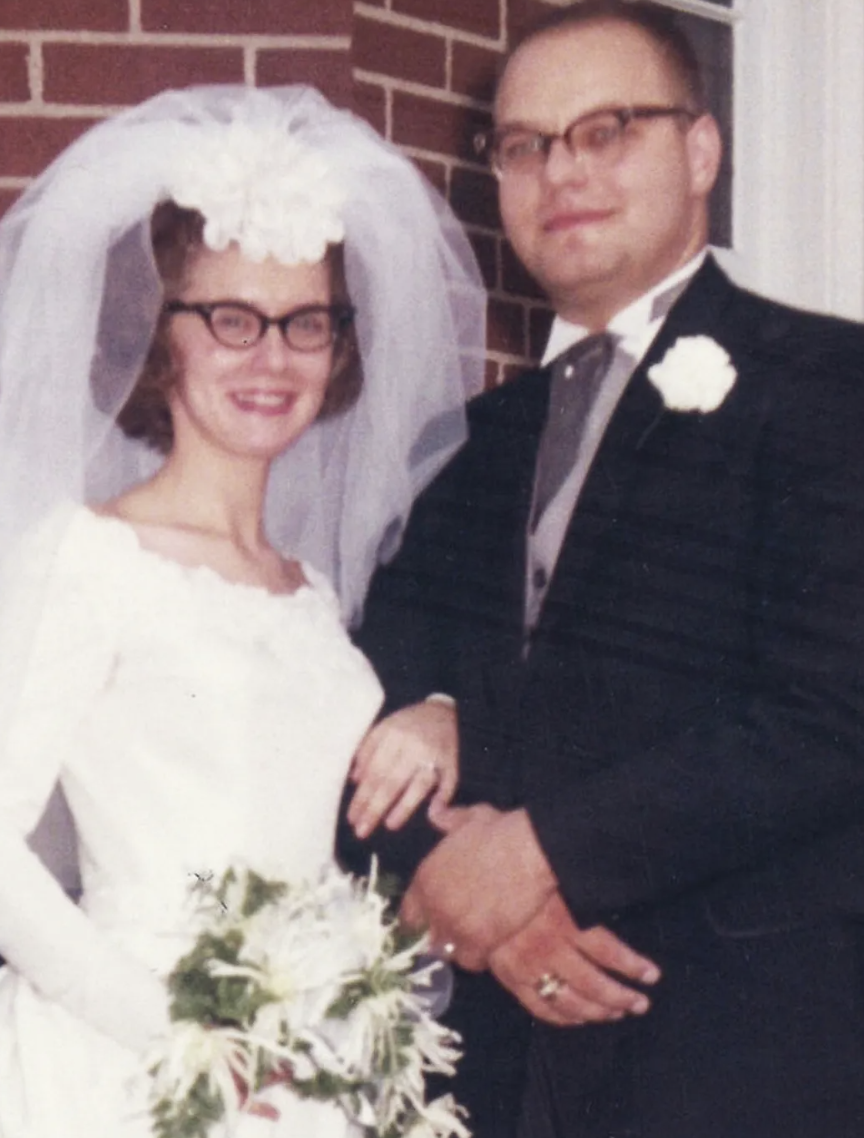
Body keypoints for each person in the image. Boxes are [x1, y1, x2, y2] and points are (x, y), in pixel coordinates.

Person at [351, 3, 864, 1136]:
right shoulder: (469, 446)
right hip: (492, 1064)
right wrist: (473, 894)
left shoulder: (832, 385)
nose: (562, 172)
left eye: (606, 130)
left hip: (748, 1055)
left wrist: (541, 855)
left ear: (701, 150)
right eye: (525, 145)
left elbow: (835, 710)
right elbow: (360, 704)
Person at [0, 84, 484, 1137]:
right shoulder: (87, 553)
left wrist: (439, 711)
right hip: (130, 1056)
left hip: (314, 1056)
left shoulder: (314, 590)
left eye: (305, 324)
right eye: (232, 320)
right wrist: (172, 1030)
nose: (272, 358)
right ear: (163, 338)